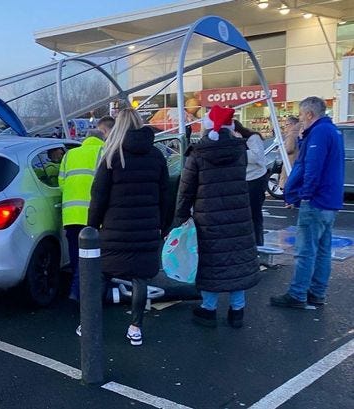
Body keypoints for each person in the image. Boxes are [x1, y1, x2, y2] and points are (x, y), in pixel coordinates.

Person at [88, 108, 169, 346]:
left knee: (102, 275)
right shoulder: (156, 155)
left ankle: (90, 322)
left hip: (115, 229)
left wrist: (91, 227)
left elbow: (99, 196)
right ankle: (135, 328)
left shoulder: (112, 156)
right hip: (146, 229)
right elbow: (166, 194)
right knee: (140, 278)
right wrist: (163, 225)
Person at [175, 105, 259, 329]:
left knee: (211, 263)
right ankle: (237, 311)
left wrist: (180, 217)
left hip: (208, 218)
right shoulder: (239, 150)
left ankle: (208, 309)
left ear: (207, 126)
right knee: (236, 260)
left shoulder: (198, 153)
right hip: (238, 216)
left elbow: (186, 190)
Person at [270, 97, 345, 309]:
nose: (300, 120)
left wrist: (304, 194)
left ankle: (297, 293)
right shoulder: (331, 131)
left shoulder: (319, 134)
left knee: (305, 251)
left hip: (316, 200)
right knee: (322, 250)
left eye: (302, 115)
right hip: (330, 201)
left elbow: (312, 167)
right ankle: (317, 293)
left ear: (310, 114)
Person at [58, 129, 105, 306]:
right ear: (102, 139)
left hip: (70, 215)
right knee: (92, 259)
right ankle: (80, 294)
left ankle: (76, 290)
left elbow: (61, 184)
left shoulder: (70, 154)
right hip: (93, 215)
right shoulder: (103, 152)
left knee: (76, 257)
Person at [234, 120, 268, 246]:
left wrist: (238, 146)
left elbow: (256, 157)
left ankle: (258, 243)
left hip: (256, 178)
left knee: (254, 212)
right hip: (243, 178)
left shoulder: (253, 138)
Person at [279, 115, 302, 189]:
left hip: (290, 162)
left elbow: (289, 149)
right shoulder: (301, 132)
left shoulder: (291, 135)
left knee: (287, 186)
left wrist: (281, 149)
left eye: (287, 125)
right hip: (298, 162)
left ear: (292, 124)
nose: (285, 127)